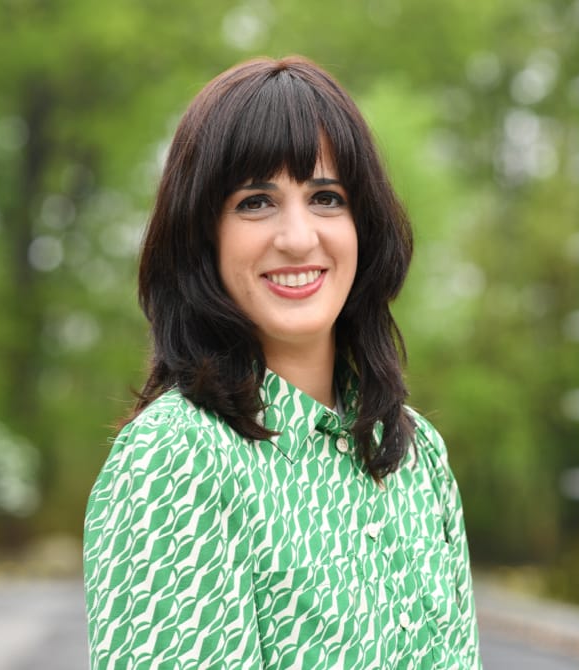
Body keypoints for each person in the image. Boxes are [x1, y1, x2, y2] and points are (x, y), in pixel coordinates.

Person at [83, 56, 481, 669]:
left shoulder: (417, 454)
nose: (298, 238)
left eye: (326, 197)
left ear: (363, 226)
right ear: (201, 236)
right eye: (255, 202)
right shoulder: (176, 459)